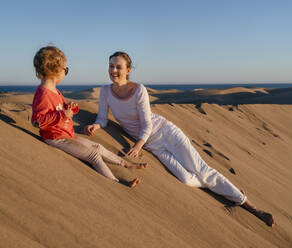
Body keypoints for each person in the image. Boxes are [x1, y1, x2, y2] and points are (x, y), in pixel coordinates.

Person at [84, 51, 275, 226]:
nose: (113, 70)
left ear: (128, 70)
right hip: (154, 147)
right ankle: (223, 187)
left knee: (203, 171)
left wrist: (137, 146)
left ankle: (250, 206)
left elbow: (147, 124)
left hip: (166, 133)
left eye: (118, 67)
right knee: (187, 179)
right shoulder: (106, 91)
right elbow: (103, 118)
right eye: (111, 66)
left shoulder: (138, 90)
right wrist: (96, 125)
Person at [31, 46, 146, 188]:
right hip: (56, 139)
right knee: (93, 156)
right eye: (65, 70)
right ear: (55, 70)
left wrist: (69, 108)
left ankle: (126, 164)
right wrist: (62, 115)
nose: (66, 73)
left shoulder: (54, 91)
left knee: (98, 147)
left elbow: (58, 110)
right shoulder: (43, 93)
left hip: (68, 135)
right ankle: (116, 184)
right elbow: (37, 121)